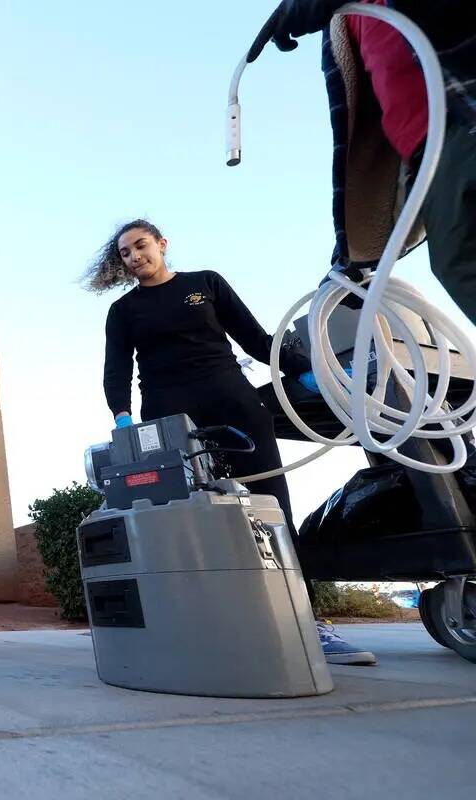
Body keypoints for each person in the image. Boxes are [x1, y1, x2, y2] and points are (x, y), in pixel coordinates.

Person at [89, 219, 378, 666]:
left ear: (162, 244)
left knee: (271, 507)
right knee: (184, 515)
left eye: (140, 246)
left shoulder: (205, 284)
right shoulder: (124, 311)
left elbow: (257, 339)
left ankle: (306, 621)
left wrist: (302, 369)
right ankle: (204, 623)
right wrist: (122, 417)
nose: (134, 257)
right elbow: (117, 369)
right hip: (168, 413)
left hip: (231, 399)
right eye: (125, 253)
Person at [248, 0, 476, 322]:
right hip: (429, 157)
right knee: (457, 258)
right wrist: (353, 259)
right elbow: (363, 149)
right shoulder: (345, 20)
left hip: (465, 116)